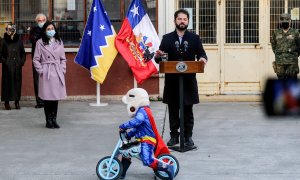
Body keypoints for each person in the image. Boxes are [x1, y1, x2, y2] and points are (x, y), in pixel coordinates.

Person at [155, 9, 208, 147]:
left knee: (188, 110)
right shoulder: (167, 38)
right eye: (180, 19)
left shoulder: (194, 38)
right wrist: (158, 56)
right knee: (173, 110)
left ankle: (188, 136)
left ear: (188, 21)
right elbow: (159, 59)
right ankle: (174, 137)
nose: (182, 21)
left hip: (188, 81)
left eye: (185, 19)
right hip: (172, 82)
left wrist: (202, 59)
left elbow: (202, 54)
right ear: (175, 21)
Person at [119, 88, 174, 180]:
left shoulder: (142, 111)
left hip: (147, 140)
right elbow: (137, 128)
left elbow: (137, 121)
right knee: (126, 152)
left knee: (147, 160)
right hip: (141, 139)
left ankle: (168, 168)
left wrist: (124, 126)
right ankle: (121, 173)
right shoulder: (142, 111)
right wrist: (129, 135)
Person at [33, 21, 67, 129]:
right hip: (46, 72)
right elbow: (36, 59)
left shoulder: (59, 41)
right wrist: (41, 70)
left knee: (55, 97)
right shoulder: (40, 42)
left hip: (57, 71)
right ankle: (48, 120)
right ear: (44, 31)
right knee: (47, 98)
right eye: (48, 29)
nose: (51, 30)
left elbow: (63, 58)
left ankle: (54, 119)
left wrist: (62, 69)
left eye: (52, 28)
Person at [1, 24, 26, 110]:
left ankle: (17, 102)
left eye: (12, 29)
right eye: (9, 29)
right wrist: (5, 61)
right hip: (7, 67)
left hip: (17, 66)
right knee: (7, 84)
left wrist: (21, 62)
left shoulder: (19, 40)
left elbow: (23, 53)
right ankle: (6, 102)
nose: (11, 30)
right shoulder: (3, 41)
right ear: (6, 29)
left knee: (17, 84)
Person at [271, 13, 300, 79]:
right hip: (280, 62)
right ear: (281, 22)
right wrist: (278, 53)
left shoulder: (295, 32)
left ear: (289, 21)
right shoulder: (276, 32)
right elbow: (273, 44)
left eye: (286, 21)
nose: (285, 23)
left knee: (292, 83)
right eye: (283, 21)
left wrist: (295, 54)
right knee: (281, 83)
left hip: (292, 62)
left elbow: (299, 45)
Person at [30, 13, 47, 108]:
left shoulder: (49, 29)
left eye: (43, 20)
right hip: (37, 58)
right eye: (39, 21)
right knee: (37, 80)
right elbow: (34, 41)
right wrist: (43, 33)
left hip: (48, 59)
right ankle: (39, 101)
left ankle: (48, 100)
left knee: (47, 79)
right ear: (37, 22)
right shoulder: (33, 30)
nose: (41, 22)